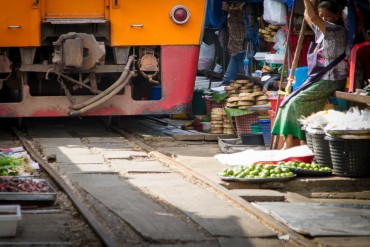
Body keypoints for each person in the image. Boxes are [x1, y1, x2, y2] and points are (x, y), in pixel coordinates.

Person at [271, 0, 348, 150]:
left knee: (297, 102)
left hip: (332, 80)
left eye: (328, 16)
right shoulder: (321, 30)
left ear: (337, 16)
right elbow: (308, 15)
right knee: (287, 101)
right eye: (321, 16)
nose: (324, 19)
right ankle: (289, 140)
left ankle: (298, 142)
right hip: (321, 78)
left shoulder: (336, 31)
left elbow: (312, 17)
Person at [220, 1, 246, 86]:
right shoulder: (229, 14)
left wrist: (228, 9)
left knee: (245, 78)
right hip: (234, 50)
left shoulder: (242, 9)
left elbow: (238, 13)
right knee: (227, 80)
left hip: (242, 50)